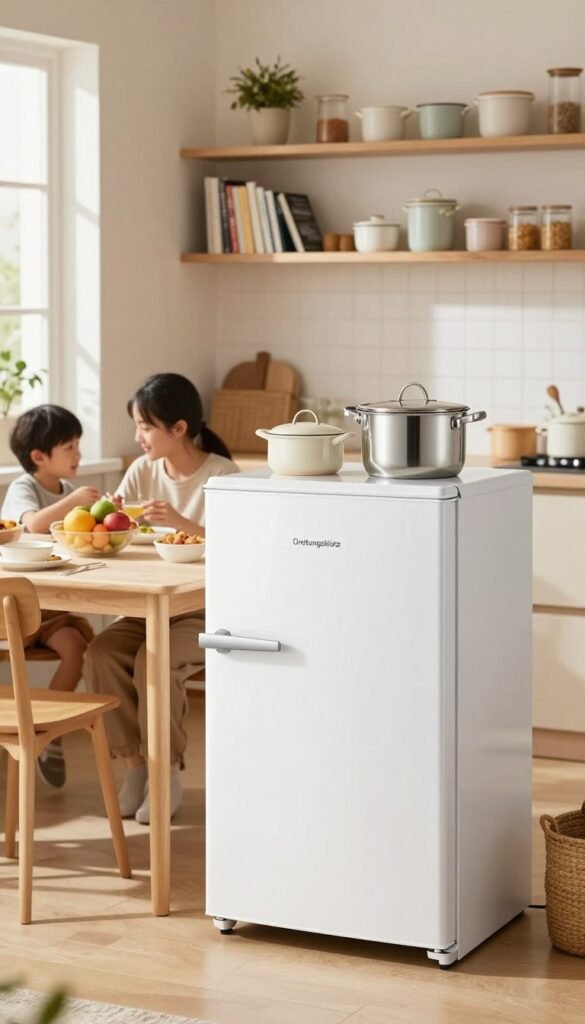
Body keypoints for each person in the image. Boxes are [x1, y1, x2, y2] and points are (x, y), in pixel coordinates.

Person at [83, 373, 238, 824]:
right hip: (152, 604)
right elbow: (121, 534)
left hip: (207, 609)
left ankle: (165, 772)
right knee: (102, 652)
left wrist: (180, 520)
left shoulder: (222, 476)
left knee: (155, 660)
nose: (138, 437)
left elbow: (246, 548)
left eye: (146, 427)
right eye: (136, 426)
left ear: (179, 428)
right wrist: (113, 516)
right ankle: (135, 767)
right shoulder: (142, 471)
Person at [1, 404, 99, 787]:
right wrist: (74, 503)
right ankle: (35, 731)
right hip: (22, 607)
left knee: (80, 648)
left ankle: (46, 735)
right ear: (39, 457)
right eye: (70, 447)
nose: (78, 454)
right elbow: (31, 526)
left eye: (78, 444)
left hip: (53, 608)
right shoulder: (23, 488)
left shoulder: (69, 492)